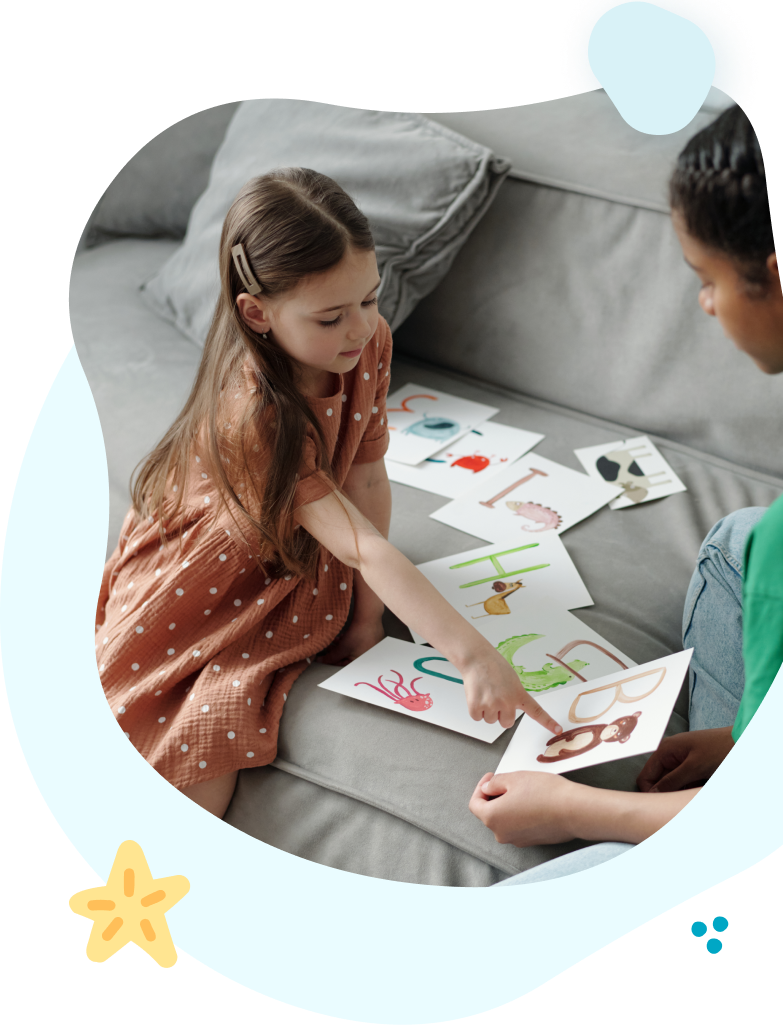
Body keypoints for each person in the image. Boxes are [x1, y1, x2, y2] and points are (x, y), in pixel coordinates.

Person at [96, 167, 561, 820]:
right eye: (330, 315)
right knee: (193, 758)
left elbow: (366, 476)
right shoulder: (253, 410)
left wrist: (366, 616)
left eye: (369, 299)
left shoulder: (367, 343)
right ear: (257, 314)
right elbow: (362, 543)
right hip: (205, 575)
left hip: (302, 545)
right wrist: (473, 653)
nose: (358, 328)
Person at [469, 105, 783, 884]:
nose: (702, 303)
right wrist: (735, 737)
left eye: (706, 279)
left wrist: (567, 807)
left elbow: (759, 819)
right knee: (738, 537)